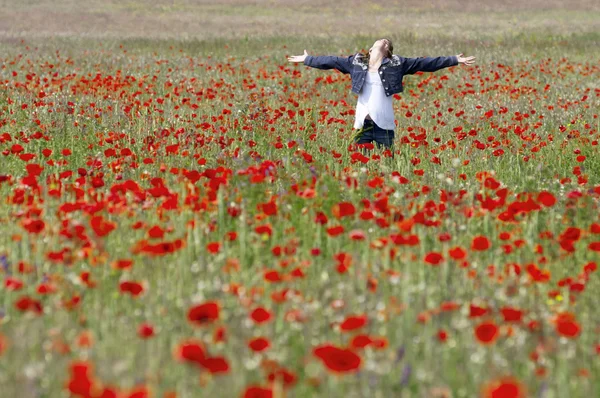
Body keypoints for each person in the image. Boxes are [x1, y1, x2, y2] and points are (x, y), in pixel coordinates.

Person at [287, 39, 475, 157]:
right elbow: (331, 61)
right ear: (370, 49)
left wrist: (454, 60)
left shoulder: (397, 64)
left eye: (387, 44)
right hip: (362, 124)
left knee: (387, 164)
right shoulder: (356, 63)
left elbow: (425, 63)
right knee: (359, 164)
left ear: (388, 51)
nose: (384, 42)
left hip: (384, 125)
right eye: (381, 41)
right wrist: (307, 59)